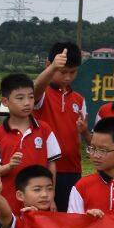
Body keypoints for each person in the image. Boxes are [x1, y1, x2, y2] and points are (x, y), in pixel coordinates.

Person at [0, 73, 60, 228]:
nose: (27, 102)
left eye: (31, 97)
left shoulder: (44, 129)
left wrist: (51, 196)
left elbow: (52, 164)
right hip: (5, 206)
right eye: (20, 98)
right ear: (5, 102)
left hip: (38, 207)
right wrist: (9, 166)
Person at [32, 42, 88, 212]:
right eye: (63, 72)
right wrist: (52, 69)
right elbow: (33, 92)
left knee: (67, 219)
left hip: (72, 169)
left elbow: (84, 135)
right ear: (48, 65)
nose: (68, 77)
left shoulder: (79, 99)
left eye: (73, 72)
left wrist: (84, 131)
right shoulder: (43, 94)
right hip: (44, 168)